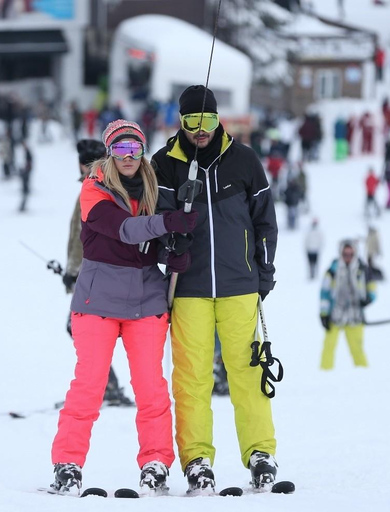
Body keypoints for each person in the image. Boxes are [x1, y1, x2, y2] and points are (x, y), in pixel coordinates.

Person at [50, 120, 198, 496]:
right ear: (109, 153)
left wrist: (172, 253)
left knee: (151, 389)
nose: (128, 157)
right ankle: (67, 464)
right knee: (89, 386)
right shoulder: (93, 190)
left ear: (142, 151)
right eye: (120, 149)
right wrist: (166, 222)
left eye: (134, 149)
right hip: (97, 301)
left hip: (147, 300)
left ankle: (155, 463)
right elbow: (128, 230)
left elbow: (153, 244)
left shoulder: (153, 187)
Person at [151, 85, 280, 493]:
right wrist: (172, 242)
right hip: (187, 287)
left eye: (207, 120)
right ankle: (197, 459)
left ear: (218, 119)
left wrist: (263, 271)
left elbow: (264, 221)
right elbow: (154, 226)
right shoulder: (164, 164)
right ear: (181, 121)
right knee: (191, 377)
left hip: (239, 284)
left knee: (247, 369)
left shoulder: (242, 160)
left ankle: (260, 452)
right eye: (192, 121)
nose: (201, 130)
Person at [62, 139, 133, 407]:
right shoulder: (101, 185)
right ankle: (105, 386)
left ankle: (106, 387)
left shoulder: (92, 189)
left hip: (92, 274)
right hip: (95, 273)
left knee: (82, 328)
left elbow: (83, 237)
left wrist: (74, 271)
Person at [319, 240, 376, 370]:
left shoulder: (363, 269)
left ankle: (364, 374)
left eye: (351, 254)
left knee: (357, 348)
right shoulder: (332, 270)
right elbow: (324, 293)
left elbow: (372, 286)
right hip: (335, 315)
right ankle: (324, 374)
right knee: (328, 347)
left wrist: (369, 298)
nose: (348, 257)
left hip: (355, 316)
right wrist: (324, 314)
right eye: (345, 254)